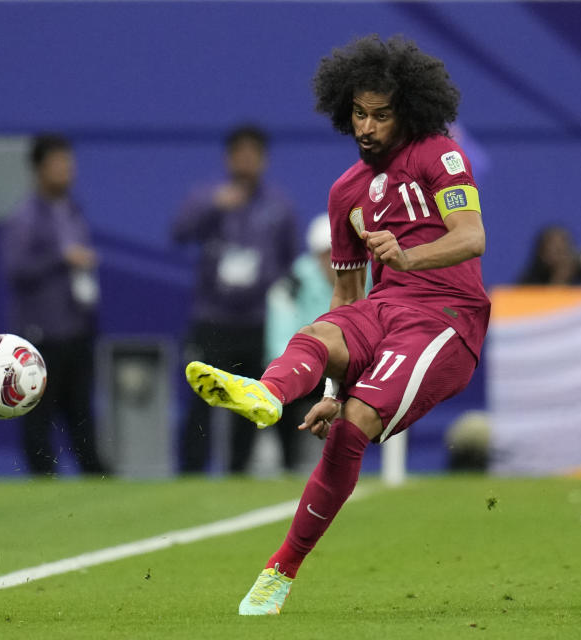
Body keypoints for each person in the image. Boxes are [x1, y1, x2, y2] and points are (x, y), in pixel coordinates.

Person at [184, 35, 490, 614]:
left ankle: (281, 570)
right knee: (319, 333)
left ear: (408, 110)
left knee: (356, 427)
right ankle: (270, 393)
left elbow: (472, 236)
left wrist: (406, 257)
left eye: (380, 114)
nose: (367, 127)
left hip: (445, 317)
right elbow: (347, 296)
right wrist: (331, 387)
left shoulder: (438, 154)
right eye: (358, 114)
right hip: (384, 308)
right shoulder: (345, 192)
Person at [172, 125, 298, 474]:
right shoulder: (209, 197)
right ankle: (191, 472)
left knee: (248, 398)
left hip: (257, 320)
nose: (245, 161)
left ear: (263, 159)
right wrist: (214, 207)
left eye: (252, 154)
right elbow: (180, 232)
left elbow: (290, 259)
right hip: (213, 316)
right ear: (229, 158)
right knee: (201, 398)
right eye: (239, 154)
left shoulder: (278, 206)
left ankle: (238, 471)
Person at [0, 134, 107, 476]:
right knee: (38, 417)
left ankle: (97, 478)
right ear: (39, 169)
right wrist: (61, 259)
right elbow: (15, 268)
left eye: (68, 163)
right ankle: (42, 482)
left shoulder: (73, 210)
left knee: (81, 412)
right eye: (57, 163)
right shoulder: (25, 217)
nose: (66, 170)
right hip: (41, 333)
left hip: (76, 327)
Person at [263, 213, 336, 473]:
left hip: (345, 368)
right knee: (280, 390)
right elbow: (279, 341)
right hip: (306, 368)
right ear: (316, 256)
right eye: (327, 253)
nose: (334, 260)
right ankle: (287, 465)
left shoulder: (369, 277)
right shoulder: (293, 283)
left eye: (341, 251)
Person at [517, 225, 581, 285]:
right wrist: (560, 278)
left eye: (565, 250)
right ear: (542, 253)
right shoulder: (527, 283)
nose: (561, 257)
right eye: (557, 251)